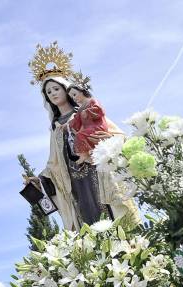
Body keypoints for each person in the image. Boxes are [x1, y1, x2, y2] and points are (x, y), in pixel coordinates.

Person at [25, 43, 139, 230]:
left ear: (66, 89)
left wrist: (101, 145)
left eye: (56, 88)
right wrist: (40, 181)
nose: (53, 94)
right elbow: (54, 164)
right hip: (75, 183)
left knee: (112, 216)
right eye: (48, 92)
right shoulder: (55, 129)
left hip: (98, 172)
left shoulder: (87, 111)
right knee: (89, 223)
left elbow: (116, 134)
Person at [66, 72, 109, 164]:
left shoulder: (92, 101)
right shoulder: (80, 109)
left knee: (80, 135)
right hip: (89, 129)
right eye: (71, 97)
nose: (73, 98)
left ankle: (85, 154)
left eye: (74, 94)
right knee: (80, 135)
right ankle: (88, 153)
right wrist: (68, 125)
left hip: (97, 127)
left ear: (82, 91)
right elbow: (76, 121)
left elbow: (100, 110)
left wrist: (87, 112)